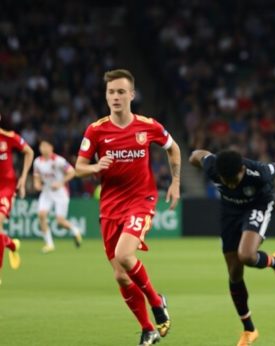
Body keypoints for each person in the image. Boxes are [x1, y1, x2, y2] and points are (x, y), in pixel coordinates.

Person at [75, 69, 180, 345]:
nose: (116, 97)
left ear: (132, 94)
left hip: (141, 200)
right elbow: (79, 168)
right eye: (111, 92)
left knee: (124, 254)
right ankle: (148, 329)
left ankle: (157, 303)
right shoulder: (96, 130)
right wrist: (97, 166)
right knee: (121, 276)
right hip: (109, 207)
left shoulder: (148, 126)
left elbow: (173, 148)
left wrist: (176, 182)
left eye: (121, 92)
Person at [189, 148, 275, 346]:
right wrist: (201, 158)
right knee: (234, 273)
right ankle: (249, 329)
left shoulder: (259, 172)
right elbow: (195, 155)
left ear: (242, 170)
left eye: (234, 181)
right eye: (225, 181)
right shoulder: (213, 166)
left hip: (258, 206)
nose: (229, 184)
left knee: (246, 255)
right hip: (229, 211)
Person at [0, 114, 33, 284]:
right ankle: (11, 244)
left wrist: (23, 177)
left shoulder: (8, 137)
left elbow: (29, 152)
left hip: (5, 188)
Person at [33, 139, 82, 253]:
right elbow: (36, 176)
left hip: (60, 192)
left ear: (51, 147)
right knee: (41, 215)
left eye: (45, 146)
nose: (43, 148)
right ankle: (49, 244)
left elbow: (71, 172)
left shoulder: (59, 160)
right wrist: (37, 185)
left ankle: (75, 230)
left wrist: (61, 182)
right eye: (41, 146)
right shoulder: (37, 162)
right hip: (47, 192)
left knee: (60, 221)